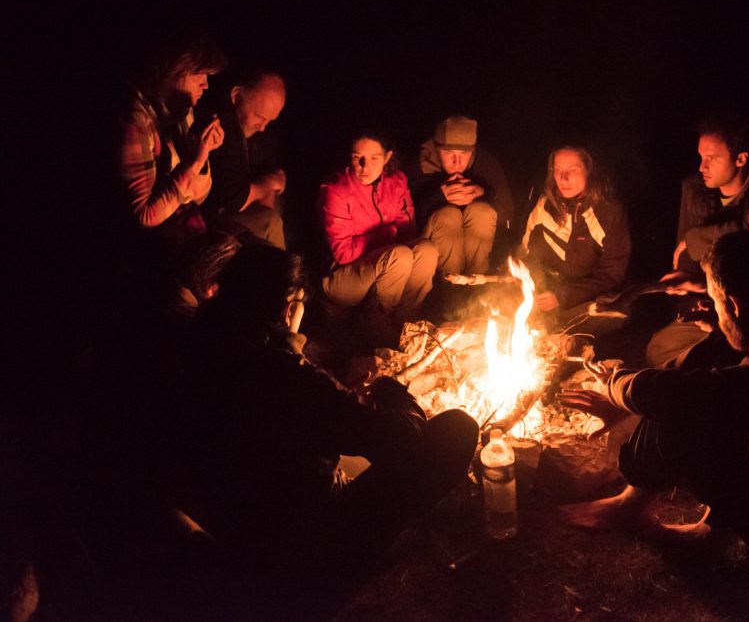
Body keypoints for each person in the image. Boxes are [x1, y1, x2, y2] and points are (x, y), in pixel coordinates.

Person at [558, 231, 749, 569]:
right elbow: (693, 375)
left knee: (680, 410)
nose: (713, 309)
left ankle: (737, 539)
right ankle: (665, 515)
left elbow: (674, 393)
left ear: (734, 304)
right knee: (692, 386)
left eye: (717, 302)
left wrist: (616, 386)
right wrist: (721, 329)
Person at [178, 246, 478, 585]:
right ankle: (362, 550)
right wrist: (385, 386)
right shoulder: (285, 378)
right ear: (286, 307)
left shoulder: (196, 338)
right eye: (299, 300)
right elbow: (404, 434)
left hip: (230, 517)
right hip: (303, 539)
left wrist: (292, 352)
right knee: (458, 429)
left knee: (344, 455)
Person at [646, 116, 749, 366]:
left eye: (712, 158)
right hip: (712, 305)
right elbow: (687, 263)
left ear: (740, 159)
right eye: (700, 157)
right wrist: (695, 286)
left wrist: (693, 238)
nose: (701, 166)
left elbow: (746, 229)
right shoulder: (697, 193)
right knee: (659, 348)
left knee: (699, 361)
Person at [320, 133, 438, 334]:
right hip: (345, 277)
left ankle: (407, 321)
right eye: (358, 158)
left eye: (374, 158)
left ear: (387, 157)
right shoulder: (336, 191)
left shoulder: (397, 182)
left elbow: (408, 233)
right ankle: (377, 325)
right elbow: (343, 253)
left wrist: (389, 240)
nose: (365, 166)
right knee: (398, 255)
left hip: (390, 265)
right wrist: (388, 233)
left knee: (427, 250)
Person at [117, 33, 227, 242]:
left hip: (179, 230)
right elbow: (145, 216)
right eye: (199, 75)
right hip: (142, 245)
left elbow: (198, 197)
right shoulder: (135, 123)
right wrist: (195, 161)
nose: (206, 85)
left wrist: (201, 157)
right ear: (172, 70)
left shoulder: (181, 112)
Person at [520, 146, 631, 325]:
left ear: (590, 172)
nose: (563, 178)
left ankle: (553, 328)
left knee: (612, 314)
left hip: (584, 298)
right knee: (504, 302)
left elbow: (612, 274)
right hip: (545, 295)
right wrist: (534, 288)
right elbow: (526, 257)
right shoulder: (544, 206)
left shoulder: (609, 212)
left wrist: (563, 295)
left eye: (573, 170)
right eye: (558, 170)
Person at [410, 115, 513, 275]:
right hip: (433, 242)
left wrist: (484, 195)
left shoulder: (486, 165)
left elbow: (508, 217)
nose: (457, 162)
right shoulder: (421, 166)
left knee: (482, 212)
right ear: (437, 149)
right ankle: (450, 284)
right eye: (449, 153)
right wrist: (437, 197)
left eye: (464, 153)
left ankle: (476, 284)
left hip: (480, 244)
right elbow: (409, 222)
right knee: (447, 215)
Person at [199, 69, 288, 248]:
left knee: (272, 215)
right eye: (259, 117)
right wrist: (265, 184)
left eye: (270, 121)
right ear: (236, 95)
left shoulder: (260, 131)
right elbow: (231, 199)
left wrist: (265, 191)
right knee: (269, 222)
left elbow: (274, 174)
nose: (263, 127)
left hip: (244, 212)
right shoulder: (218, 127)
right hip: (211, 222)